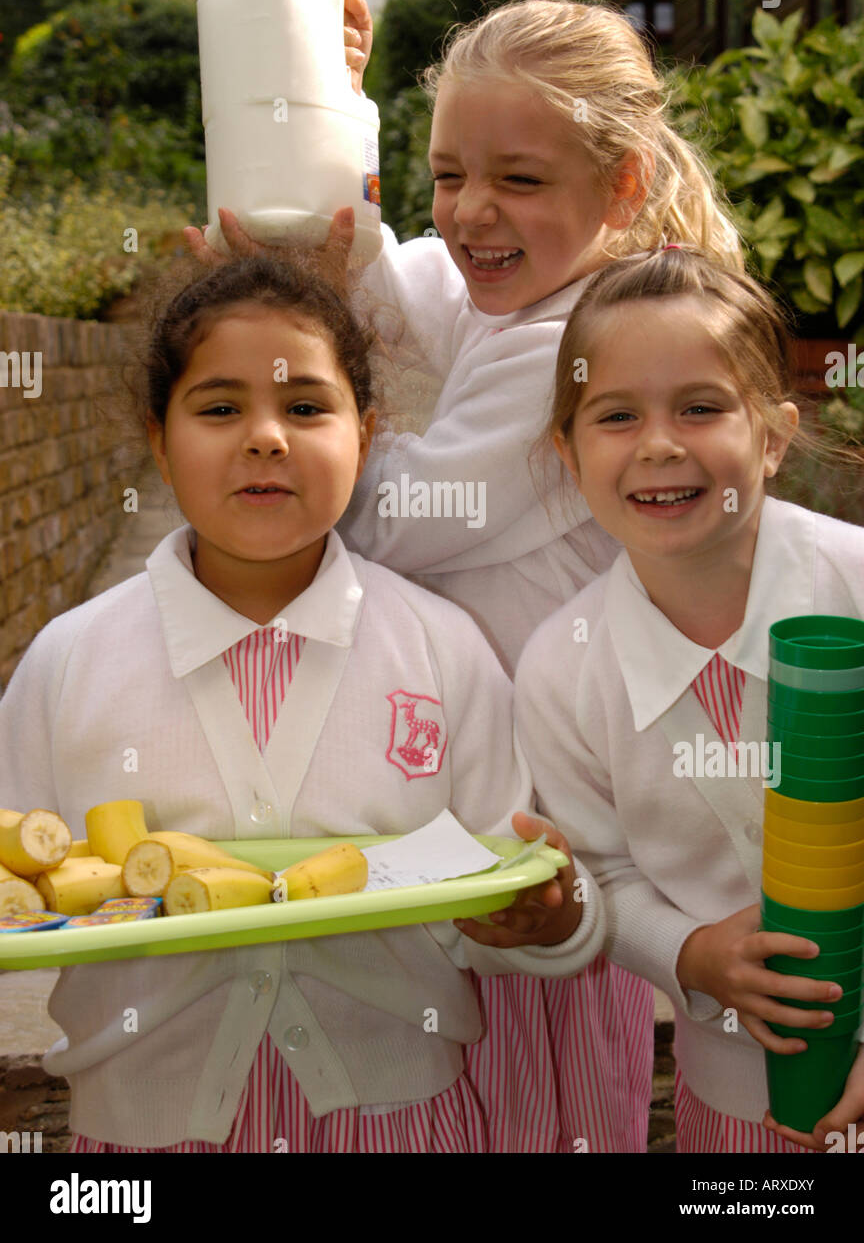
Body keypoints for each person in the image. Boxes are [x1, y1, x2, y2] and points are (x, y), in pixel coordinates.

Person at [188, 0, 743, 1152]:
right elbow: (395, 283)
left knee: (530, 1101)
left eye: (520, 180)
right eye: (448, 174)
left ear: (624, 183)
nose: (473, 212)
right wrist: (323, 108)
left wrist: (286, 392)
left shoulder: (581, 349)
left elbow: (383, 522)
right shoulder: (530, 289)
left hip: (543, 833)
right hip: (494, 805)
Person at [0, 255, 605, 1153]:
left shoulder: (441, 649)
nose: (266, 438)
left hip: (405, 1122)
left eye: (307, 407)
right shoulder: (71, 662)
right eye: (218, 408)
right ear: (158, 441)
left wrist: (550, 920)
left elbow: (509, 884)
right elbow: (22, 886)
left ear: (368, 434)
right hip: (138, 1134)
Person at [517, 245, 864, 1153]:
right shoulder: (561, 668)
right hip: (729, 1105)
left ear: (776, 437)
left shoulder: (857, 586)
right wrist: (691, 953)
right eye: (616, 415)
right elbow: (600, 874)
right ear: (568, 451)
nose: (660, 444)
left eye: (701, 408)